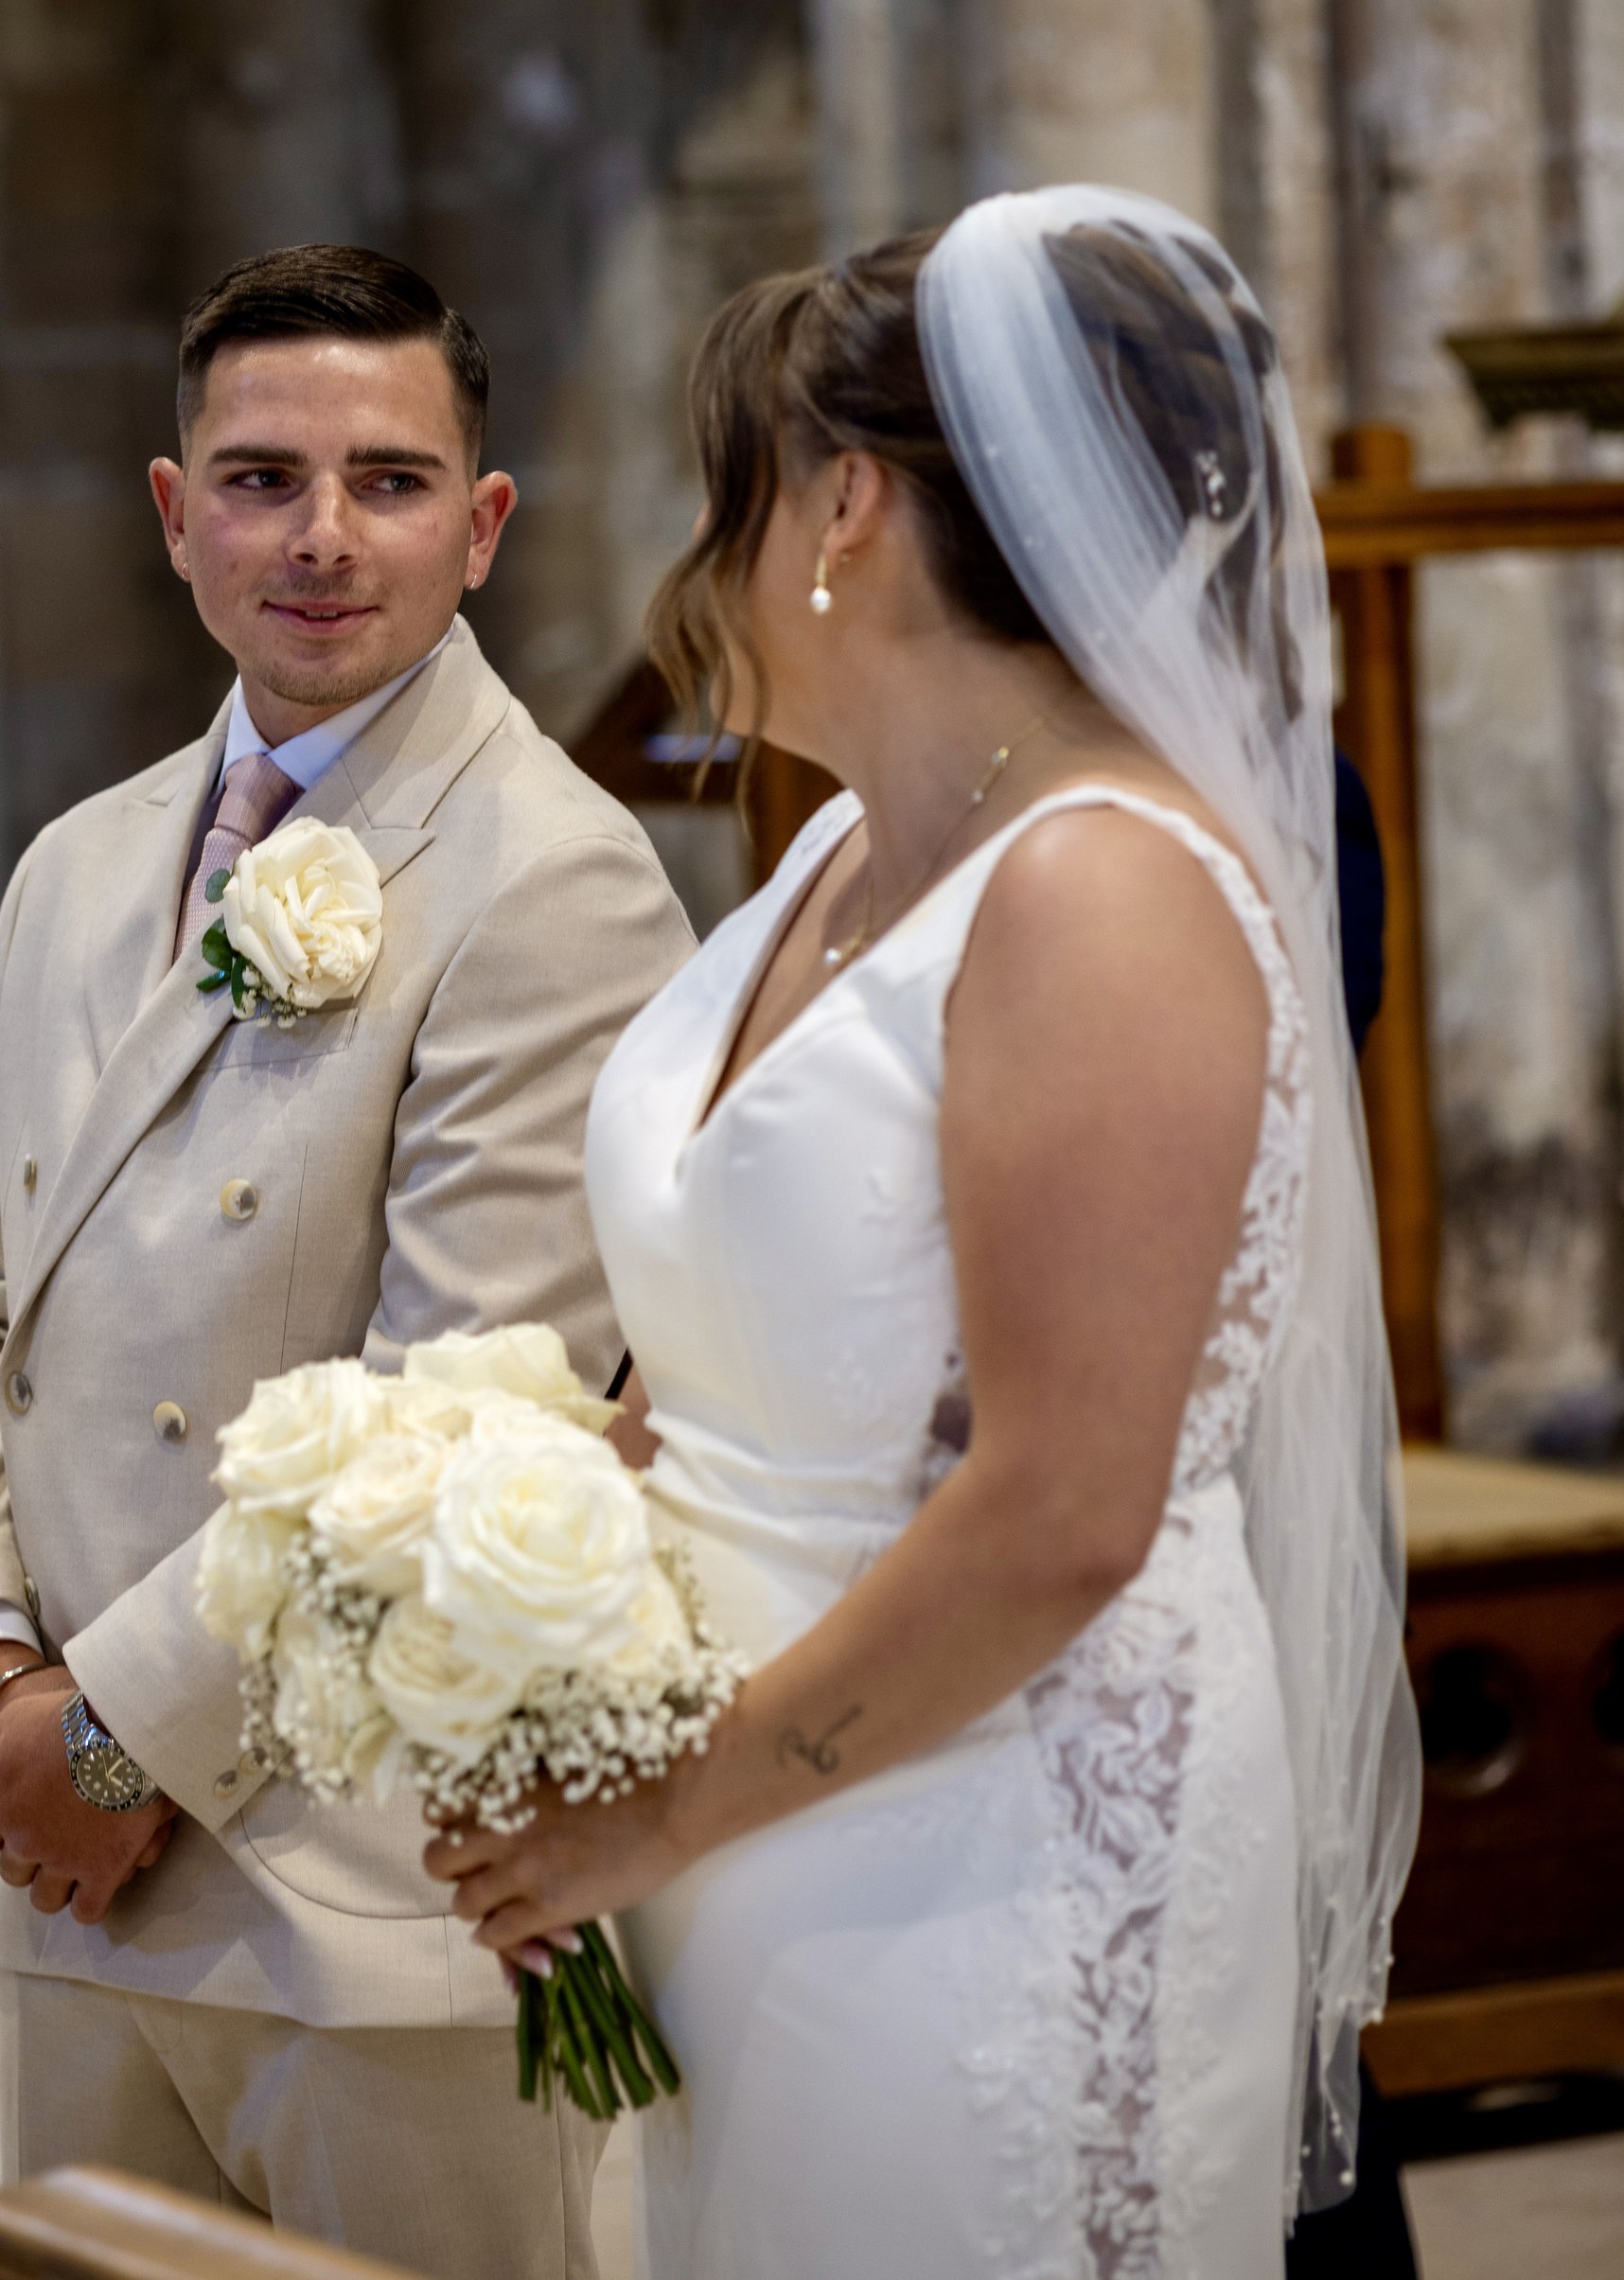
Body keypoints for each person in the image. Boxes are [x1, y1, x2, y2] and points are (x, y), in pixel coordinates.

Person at [429, 188, 1421, 2275]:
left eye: (730, 493)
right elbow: (707, 1342)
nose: (696, 565)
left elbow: (1061, 1500)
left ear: (845, 505)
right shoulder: (840, 861)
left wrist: (660, 1804)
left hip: (989, 1842)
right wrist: (518, 1634)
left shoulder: (1098, 889)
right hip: (740, 1816)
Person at [0, 243, 692, 2280]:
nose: (320, 535)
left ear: (482, 523)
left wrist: (104, 1740)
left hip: (366, 1899)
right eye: (258, 477)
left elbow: (445, 1415)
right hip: (73, 1886)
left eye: (390, 478)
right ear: (174, 516)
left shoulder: (554, 870)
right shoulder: (74, 861)